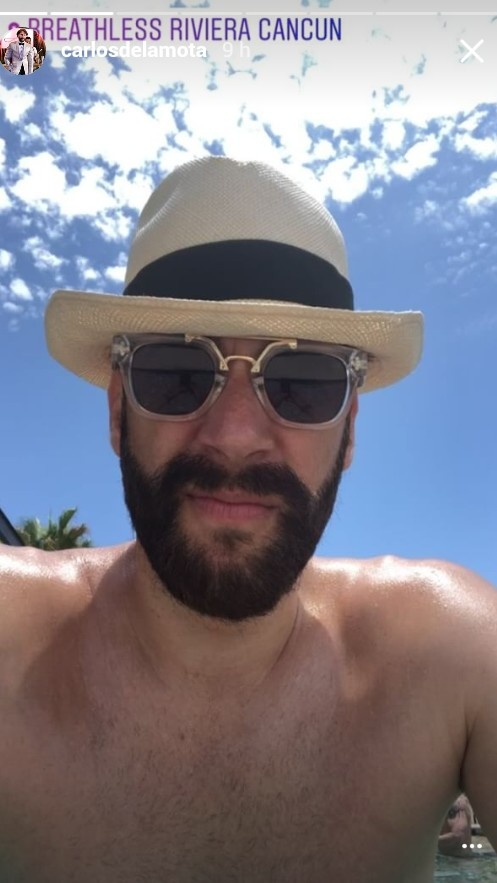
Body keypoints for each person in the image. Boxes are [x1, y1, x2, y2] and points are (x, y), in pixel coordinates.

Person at [1, 156, 496, 882]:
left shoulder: (450, 655)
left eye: (302, 382)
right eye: (177, 372)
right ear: (116, 409)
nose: (234, 435)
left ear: (348, 431)